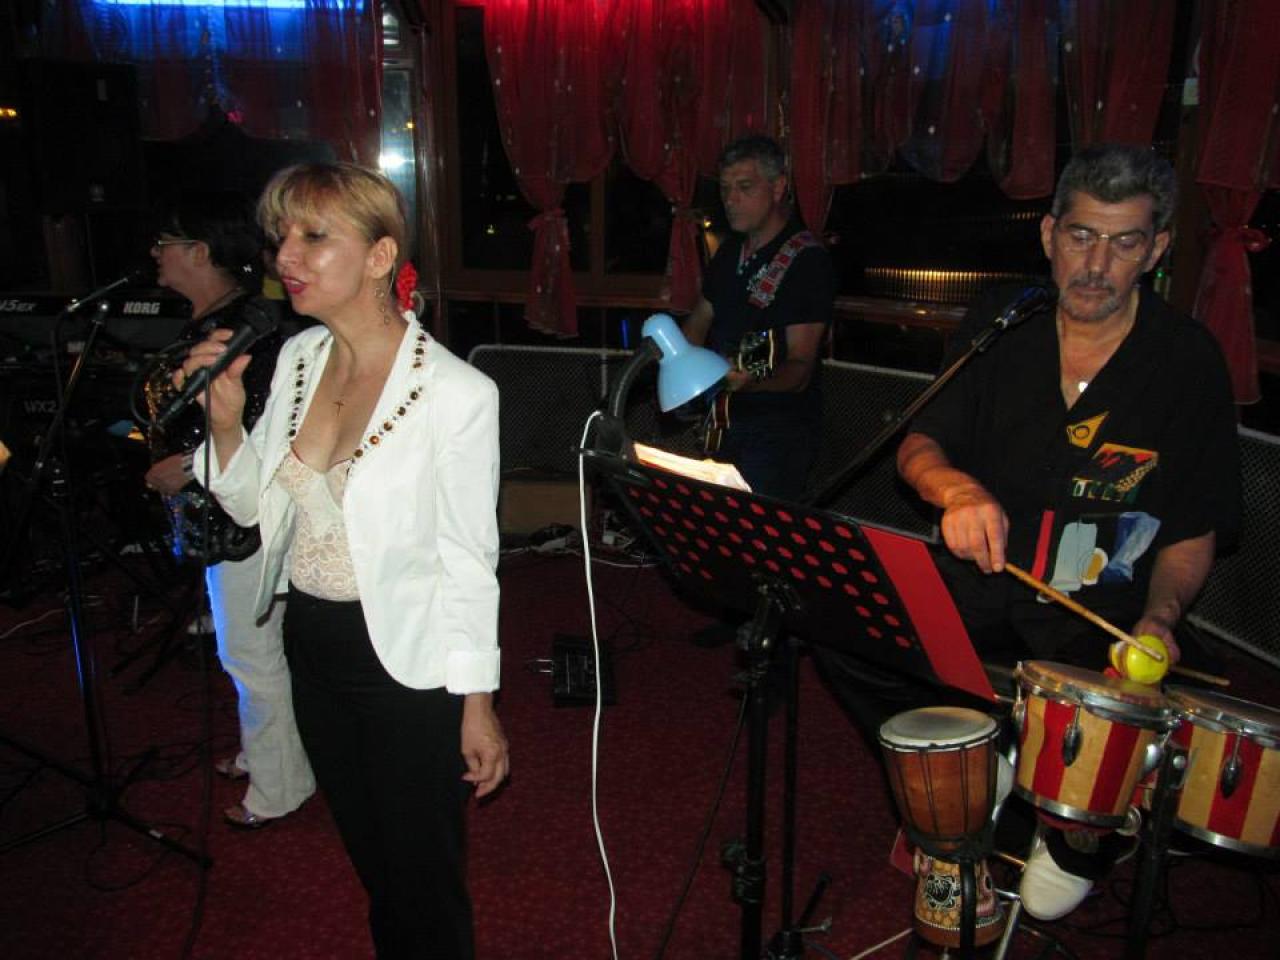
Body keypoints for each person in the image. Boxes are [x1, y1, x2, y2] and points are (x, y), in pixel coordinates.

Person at [885, 144, 1241, 920]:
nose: (1096, 264)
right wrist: (957, 490)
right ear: (1049, 234)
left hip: (1103, 614)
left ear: (1156, 249)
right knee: (852, 629)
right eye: (1081, 236)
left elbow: (1193, 529)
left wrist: (1162, 617)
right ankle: (982, 767)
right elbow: (918, 445)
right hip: (986, 582)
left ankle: (1077, 830)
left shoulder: (1188, 362)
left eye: (1123, 242)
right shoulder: (1000, 324)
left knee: (1134, 730)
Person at [182, 162, 508, 959]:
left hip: (407, 664)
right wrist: (224, 426)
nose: (284, 256)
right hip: (312, 644)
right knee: (372, 859)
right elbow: (253, 506)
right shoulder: (300, 357)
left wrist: (477, 702)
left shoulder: (459, 394)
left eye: (313, 236)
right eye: (281, 236)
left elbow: (470, 560)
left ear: (379, 256)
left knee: (424, 873)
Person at [143, 193, 315, 829]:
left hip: (243, 515)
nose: (154, 254)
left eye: (165, 243)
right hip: (219, 509)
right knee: (251, 648)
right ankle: (265, 755)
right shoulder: (219, 322)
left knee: (249, 653)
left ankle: (279, 787)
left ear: (200, 251)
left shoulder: (248, 330)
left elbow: (268, 428)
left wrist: (188, 465)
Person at [683, 134, 836, 501]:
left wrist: (749, 383)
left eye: (744, 187)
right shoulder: (729, 253)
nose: (730, 199)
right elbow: (697, 324)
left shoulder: (807, 261)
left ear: (778, 187)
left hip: (777, 433)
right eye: (725, 189)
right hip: (724, 420)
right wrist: (675, 359)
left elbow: (799, 367)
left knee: (755, 529)